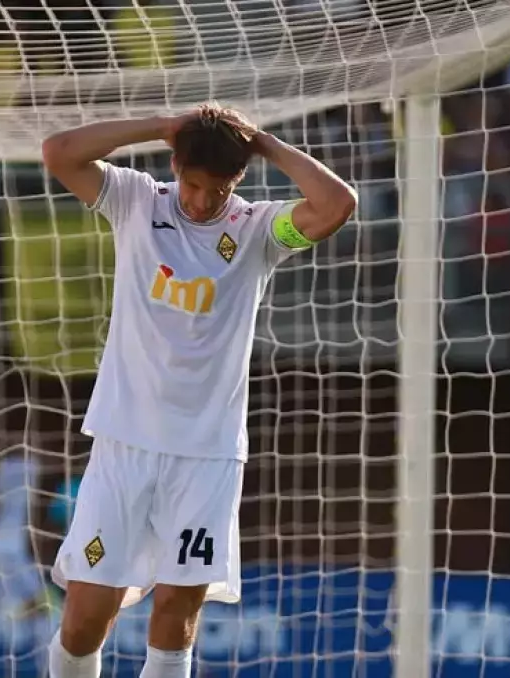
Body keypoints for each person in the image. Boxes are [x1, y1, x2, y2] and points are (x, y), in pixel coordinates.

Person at [40, 104, 356, 678]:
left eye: (219, 189)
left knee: (175, 613)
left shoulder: (258, 230)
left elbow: (337, 205)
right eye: (192, 184)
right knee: (85, 618)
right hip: (124, 443)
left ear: (238, 180)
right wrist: (159, 125)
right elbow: (59, 153)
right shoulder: (135, 200)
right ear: (175, 166)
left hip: (207, 456)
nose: (203, 201)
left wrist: (263, 142)